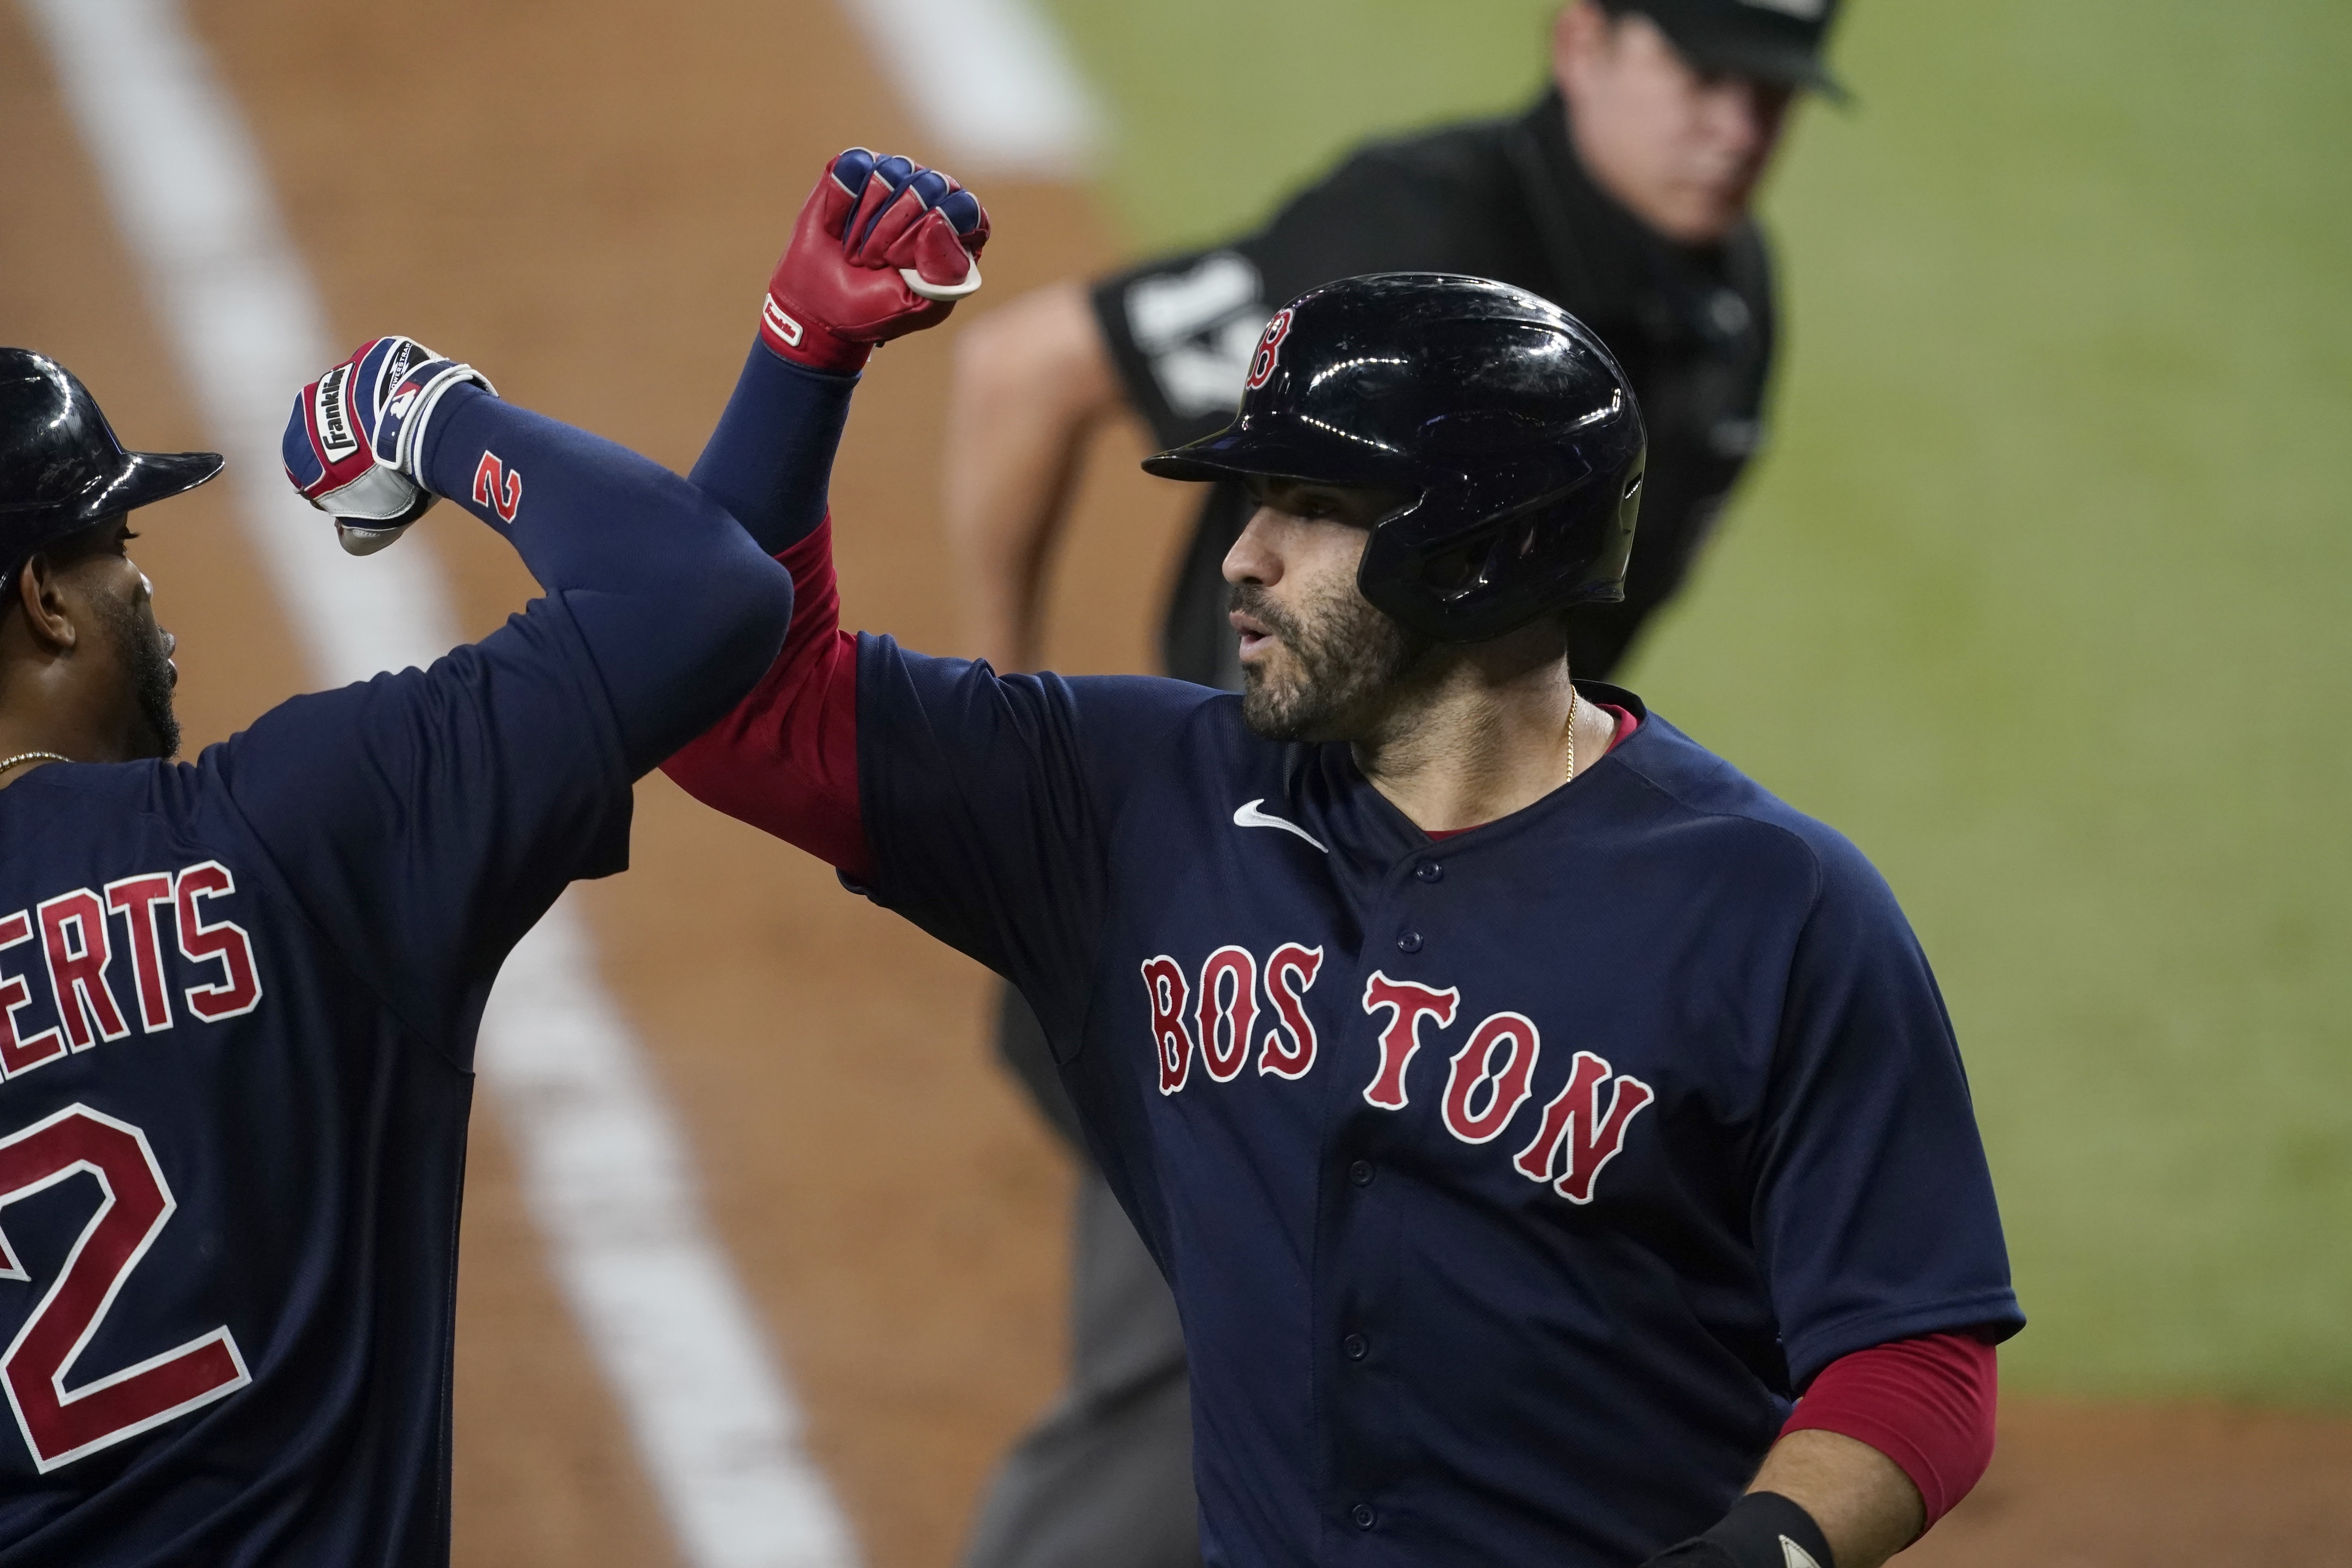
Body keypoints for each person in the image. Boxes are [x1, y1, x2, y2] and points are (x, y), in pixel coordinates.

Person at [665, 174, 2022, 1568]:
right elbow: (733, 711)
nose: (1243, 559)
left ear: (1485, 556)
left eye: (1313, 506)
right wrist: (800, 355)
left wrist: (1766, 1553)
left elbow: (1918, 1350)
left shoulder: (1771, 911)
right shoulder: (1138, 793)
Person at [941, 3, 1846, 1558]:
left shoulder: (1726, 303)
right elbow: (1028, 369)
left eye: (1772, 92)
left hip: (1442, 928)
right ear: (1586, 42)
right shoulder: (1418, 234)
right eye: (1705, 73)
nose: (1738, 128)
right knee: (1191, 1413)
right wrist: (994, 758)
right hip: (1239, 912)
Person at [0, 147, 976, 1561]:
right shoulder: (284, 838)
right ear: (44, 601)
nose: (143, 589)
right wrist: (429, 412)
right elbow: (692, 603)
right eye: (117, 545)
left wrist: (801, 363)